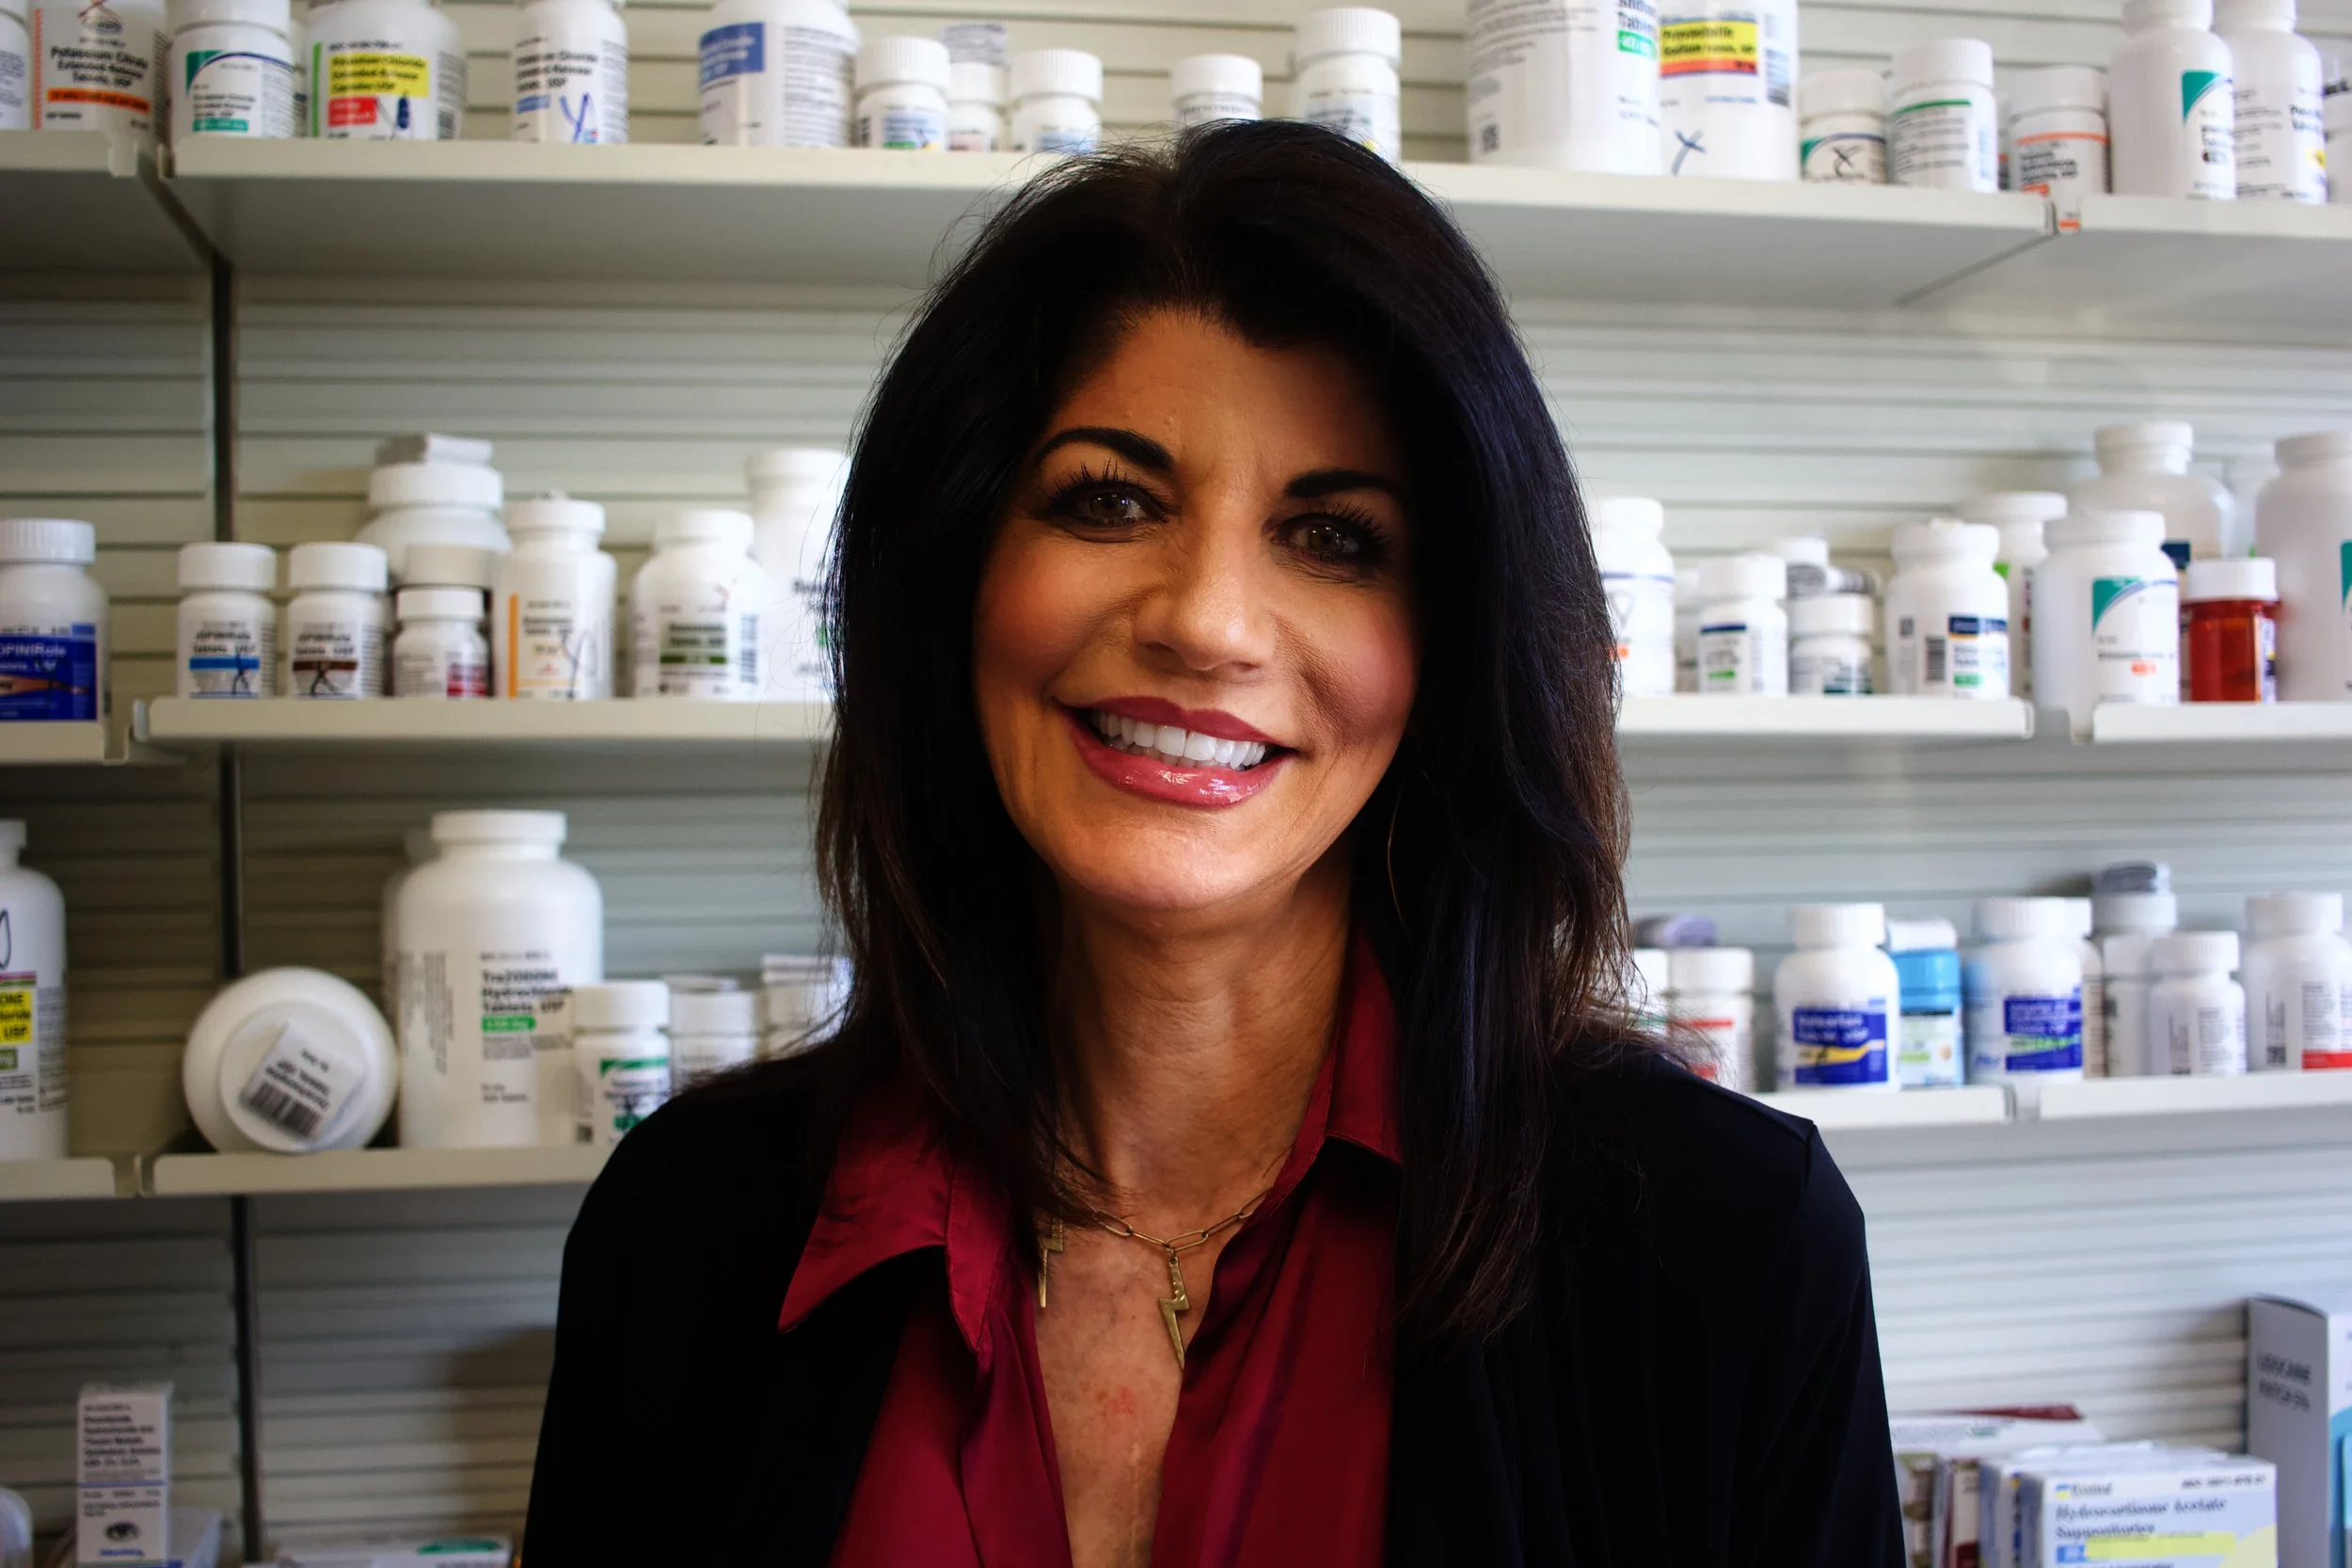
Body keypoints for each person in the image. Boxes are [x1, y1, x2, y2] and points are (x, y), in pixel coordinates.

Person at [524, 121, 1903, 1568]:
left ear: (1451, 650)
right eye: (1110, 500)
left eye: (1335, 536)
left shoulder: (1728, 1244)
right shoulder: (684, 1227)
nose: (1207, 621)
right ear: (955, 578)